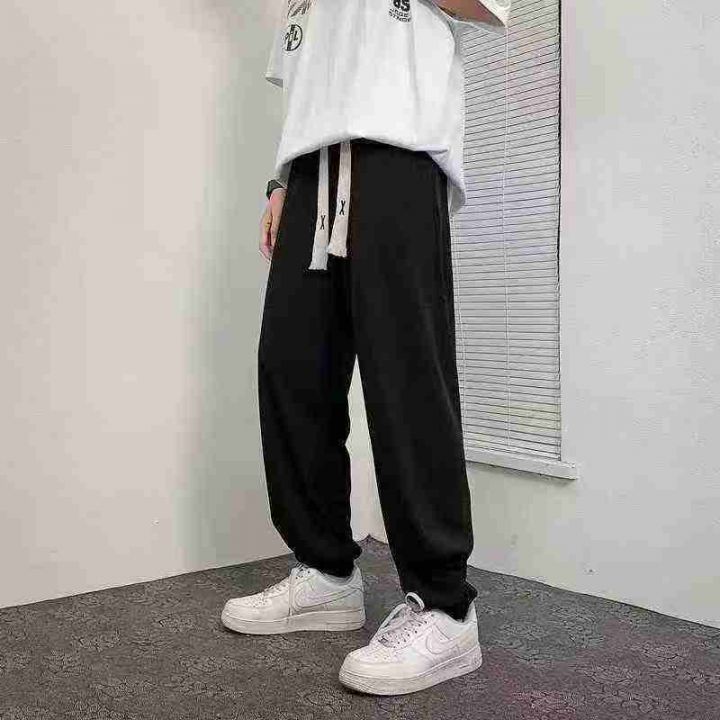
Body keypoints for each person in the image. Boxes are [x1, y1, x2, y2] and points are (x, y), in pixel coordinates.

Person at [221, 0, 511, 696]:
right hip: (311, 167)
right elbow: (310, 79)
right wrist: (282, 179)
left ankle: (445, 607)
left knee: (405, 376)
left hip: (398, 152)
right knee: (292, 367)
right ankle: (326, 573)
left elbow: (486, 8)